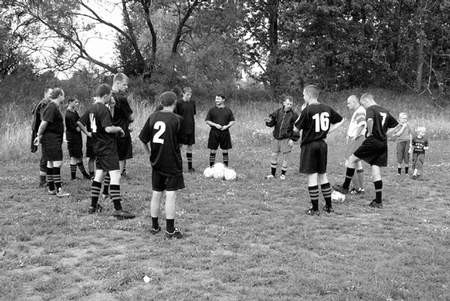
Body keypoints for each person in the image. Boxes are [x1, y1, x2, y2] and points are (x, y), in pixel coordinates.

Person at [333, 93, 400, 208]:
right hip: (382, 143)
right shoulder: (385, 111)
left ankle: (345, 187)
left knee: (352, 159)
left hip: (372, 141)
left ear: (367, 100)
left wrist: (369, 132)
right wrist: (385, 134)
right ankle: (378, 201)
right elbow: (396, 125)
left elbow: (369, 121)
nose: (363, 106)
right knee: (376, 170)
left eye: (363, 103)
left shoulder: (371, 109)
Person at [79, 83, 135, 219]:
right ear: (105, 96)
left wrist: (88, 133)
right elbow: (108, 128)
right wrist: (119, 129)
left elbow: (79, 122)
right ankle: (118, 209)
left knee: (99, 175)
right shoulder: (102, 109)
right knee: (115, 175)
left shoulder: (91, 108)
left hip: (97, 146)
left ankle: (93, 206)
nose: (111, 97)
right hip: (108, 147)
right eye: (110, 95)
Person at [139, 91, 184, 239]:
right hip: (172, 162)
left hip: (156, 161)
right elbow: (181, 143)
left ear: (161, 102)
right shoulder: (177, 119)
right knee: (171, 194)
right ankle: (170, 230)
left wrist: (150, 153)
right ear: (174, 103)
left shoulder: (152, 117)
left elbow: (143, 139)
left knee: (156, 193)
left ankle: (154, 226)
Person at [294, 85, 344, 215]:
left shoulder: (307, 109)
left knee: (312, 176)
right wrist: (327, 131)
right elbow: (341, 120)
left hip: (310, 145)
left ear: (309, 95)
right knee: (323, 175)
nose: (303, 97)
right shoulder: (327, 108)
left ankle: (315, 209)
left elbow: (296, 129)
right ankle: (329, 206)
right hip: (322, 144)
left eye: (304, 95)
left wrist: (300, 114)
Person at [33, 88, 70, 197]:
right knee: (57, 163)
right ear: (59, 95)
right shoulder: (52, 107)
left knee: (50, 163)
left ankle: (51, 189)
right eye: (63, 95)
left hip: (52, 139)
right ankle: (59, 190)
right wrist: (38, 136)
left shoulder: (54, 106)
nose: (64, 97)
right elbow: (43, 123)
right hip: (51, 140)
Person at [264, 95, 299, 180]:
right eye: (288, 104)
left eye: (291, 104)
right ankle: (272, 174)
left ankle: (283, 175)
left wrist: (292, 139)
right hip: (276, 137)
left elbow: (297, 128)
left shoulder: (294, 115)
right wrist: (269, 122)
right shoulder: (278, 112)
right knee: (274, 155)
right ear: (284, 103)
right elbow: (272, 122)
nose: (289, 105)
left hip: (286, 139)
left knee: (285, 158)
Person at [111, 73, 133, 177]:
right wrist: (129, 122)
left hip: (108, 129)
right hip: (121, 130)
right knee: (121, 154)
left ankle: (119, 172)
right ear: (117, 83)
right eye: (124, 85)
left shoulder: (106, 95)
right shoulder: (121, 98)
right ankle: (118, 175)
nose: (126, 87)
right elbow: (130, 116)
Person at [205, 94, 235, 167]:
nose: (216, 100)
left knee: (225, 150)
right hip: (214, 132)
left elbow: (232, 121)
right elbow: (207, 121)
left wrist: (226, 126)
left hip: (225, 132)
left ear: (223, 100)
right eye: (216, 99)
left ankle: (226, 167)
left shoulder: (228, 110)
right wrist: (215, 125)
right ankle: (211, 167)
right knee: (213, 150)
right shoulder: (212, 110)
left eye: (218, 99)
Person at [344, 95, 366, 194]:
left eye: (349, 103)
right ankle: (360, 188)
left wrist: (354, 136)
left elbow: (362, 124)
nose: (347, 105)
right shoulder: (359, 111)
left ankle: (356, 188)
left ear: (354, 102)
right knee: (357, 163)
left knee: (350, 162)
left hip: (357, 139)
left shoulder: (360, 111)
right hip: (358, 139)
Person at [31, 88, 52, 187]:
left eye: (53, 93)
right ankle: (42, 181)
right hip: (44, 133)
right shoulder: (44, 104)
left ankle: (49, 179)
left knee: (48, 157)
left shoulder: (47, 103)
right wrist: (40, 135)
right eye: (50, 93)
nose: (52, 95)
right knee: (45, 157)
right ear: (45, 94)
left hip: (45, 133)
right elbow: (44, 120)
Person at [65, 97, 91, 180]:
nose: (77, 104)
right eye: (75, 102)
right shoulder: (69, 115)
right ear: (70, 102)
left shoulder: (74, 112)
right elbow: (78, 128)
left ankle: (85, 175)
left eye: (77, 102)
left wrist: (83, 122)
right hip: (72, 138)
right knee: (74, 157)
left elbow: (80, 121)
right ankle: (73, 177)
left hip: (77, 137)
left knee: (79, 156)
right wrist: (85, 121)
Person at [174, 86, 196, 172]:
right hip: (181, 129)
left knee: (190, 147)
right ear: (183, 94)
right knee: (179, 146)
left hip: (191, 127)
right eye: (187, 94)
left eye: (190, 95)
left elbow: (193, 114)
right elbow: (175, 116)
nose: (189, 96)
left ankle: (190, 167)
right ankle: (178, 166)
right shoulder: (178, 103)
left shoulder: (193, 102)